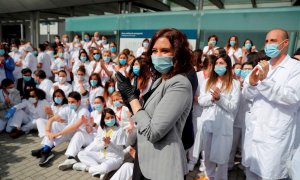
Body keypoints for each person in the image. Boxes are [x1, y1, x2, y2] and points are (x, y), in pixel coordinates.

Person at [116, 28, 194, 180]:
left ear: (178, 54)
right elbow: (149, 116)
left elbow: (154, 131)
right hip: (145, 159)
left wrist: (132, 99)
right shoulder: (159, 80)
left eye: (165, 51)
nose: (158, 55)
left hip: (162, 165)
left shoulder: (180, 83)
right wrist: (132, 103)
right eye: (154, 50)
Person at [242, 28, 300, 179]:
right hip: (254, 134)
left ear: (285, 43)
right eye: (267, 41)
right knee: (250, 174)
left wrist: (265, 81)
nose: (268, 45)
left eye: (273, 41)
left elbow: (292, 97)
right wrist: (253, 84)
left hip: (275, 137)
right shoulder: (261, 65)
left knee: (270, 175)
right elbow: (246, 94)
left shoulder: (295, 68)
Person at [198, 54, 240, 179]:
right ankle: (209, 177)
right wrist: (212, 98)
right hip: (208, 124)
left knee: (222, 159)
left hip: (223, 126)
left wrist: (220, 99)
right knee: (207, 157)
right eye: (216, 63)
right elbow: (201, 101)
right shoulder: (208, 82)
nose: (218, 66)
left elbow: (233, 106)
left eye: (221, 63)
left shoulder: (234, 84)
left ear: (228, 65)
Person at [31, 91, 93, 167]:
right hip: (73, 133)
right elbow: (52, 119)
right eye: (69, 102)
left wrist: (57, 134)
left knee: (68, 131)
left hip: (85, 136)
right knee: (55, 124)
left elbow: (75, 126)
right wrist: (48, 132)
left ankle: (47, 150)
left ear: (79, 101)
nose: (70, 104)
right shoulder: (69, 108)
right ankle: (46, 149)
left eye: (72, 102)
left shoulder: (84, 111)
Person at [74, 108, 127, 179]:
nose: (110, 119)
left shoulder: (119, 130)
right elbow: (98, 144)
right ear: (103, 120)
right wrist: (103, 144)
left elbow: (120, 151)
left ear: (115, 117)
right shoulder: (102, 128)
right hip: (102, 155)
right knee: (81, 154)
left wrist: (109, 143)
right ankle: (100, 171)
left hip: (115, 158)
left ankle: (86, 168)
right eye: (107, 118)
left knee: (104, 168)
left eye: (112, 117)